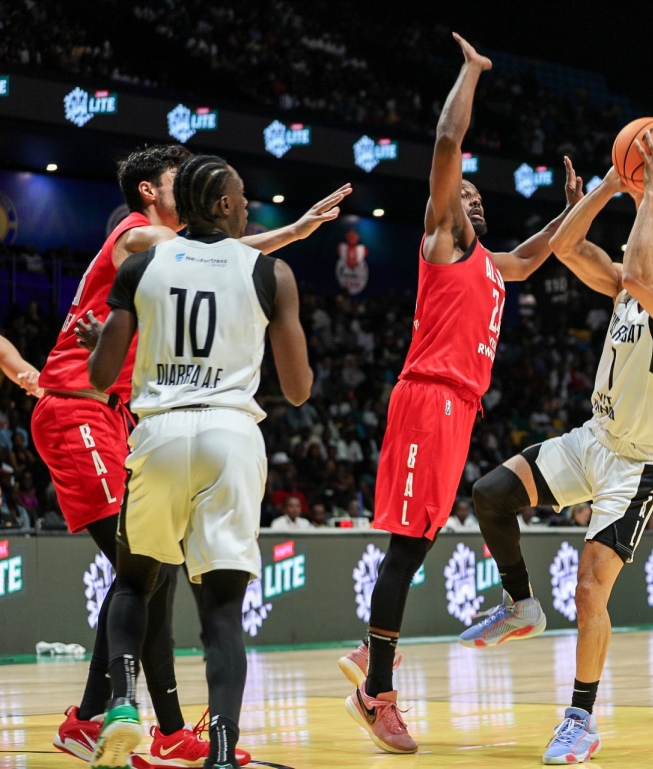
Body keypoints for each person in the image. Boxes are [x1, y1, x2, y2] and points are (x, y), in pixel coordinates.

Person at [36, 145, 348, 768]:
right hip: (81, 408)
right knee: (149, 578)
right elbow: (229, 261)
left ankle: (126, 719)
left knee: (150, 574)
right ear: (152, 191)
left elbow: (218, 255)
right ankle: (119, 720)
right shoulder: (138, 237)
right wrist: (292, 232)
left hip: (129, 417)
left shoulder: (169, 257)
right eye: (181, 180)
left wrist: (294, 230)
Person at [338, 33, 584, 755]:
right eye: (460, 194)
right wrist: (471, 74)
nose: (467, 199)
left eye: (477, 197)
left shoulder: (493, 265)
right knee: (403, 551)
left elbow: (542, 249)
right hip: (428, 398)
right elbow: (448, 139)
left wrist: (587, 200)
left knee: (413, 548)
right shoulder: (443, 240)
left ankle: (368, 655)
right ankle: (375, 691)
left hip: (457, 412)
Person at [461, 131, 653, 764]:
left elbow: (635, 267)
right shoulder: (631, 289)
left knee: (589, 591)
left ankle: (580, 718)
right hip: (592, 439)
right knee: (490, 494)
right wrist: (610, 184)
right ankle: (520, 602)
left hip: (637, 466)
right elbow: (563, 246)